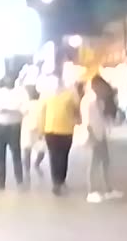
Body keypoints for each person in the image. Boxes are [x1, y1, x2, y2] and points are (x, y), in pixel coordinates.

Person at [82, 74, 120, 203]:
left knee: (105, 161)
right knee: (94, 163)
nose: (104, 90)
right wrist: (92, 137)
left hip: (101, 134)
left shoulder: (100, 102)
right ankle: (91, 191)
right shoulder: (90, 102)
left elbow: (105, 119)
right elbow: (87, 122)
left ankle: (108, 189)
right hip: (94, 135)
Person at [42, 77, 80, 196]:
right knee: (57, 156)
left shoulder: (49, 95)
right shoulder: (48, 95)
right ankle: (58, 182)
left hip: (60, 130)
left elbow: (76, 108)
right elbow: (42, 112)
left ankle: (59, 180)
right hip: (55, 130)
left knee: (60, 156)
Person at [0, 78, 25, 189]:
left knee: (16, 154)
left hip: (14, 126)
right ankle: (0, 183)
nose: (9, 80)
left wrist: (9, 109)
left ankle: (20, 181)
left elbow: (25, 108)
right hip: (0, 126)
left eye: (11, 77)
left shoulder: (20, 92)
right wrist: (9, 109)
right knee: (0, 155)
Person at [21, 85, 47, 183]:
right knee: (28, 151)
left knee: (41, 150)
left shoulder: (41, 104)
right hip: (28, 129)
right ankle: (27, 171)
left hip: (38, 130)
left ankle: (36, 164)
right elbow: (22, 114)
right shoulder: (26, 104)